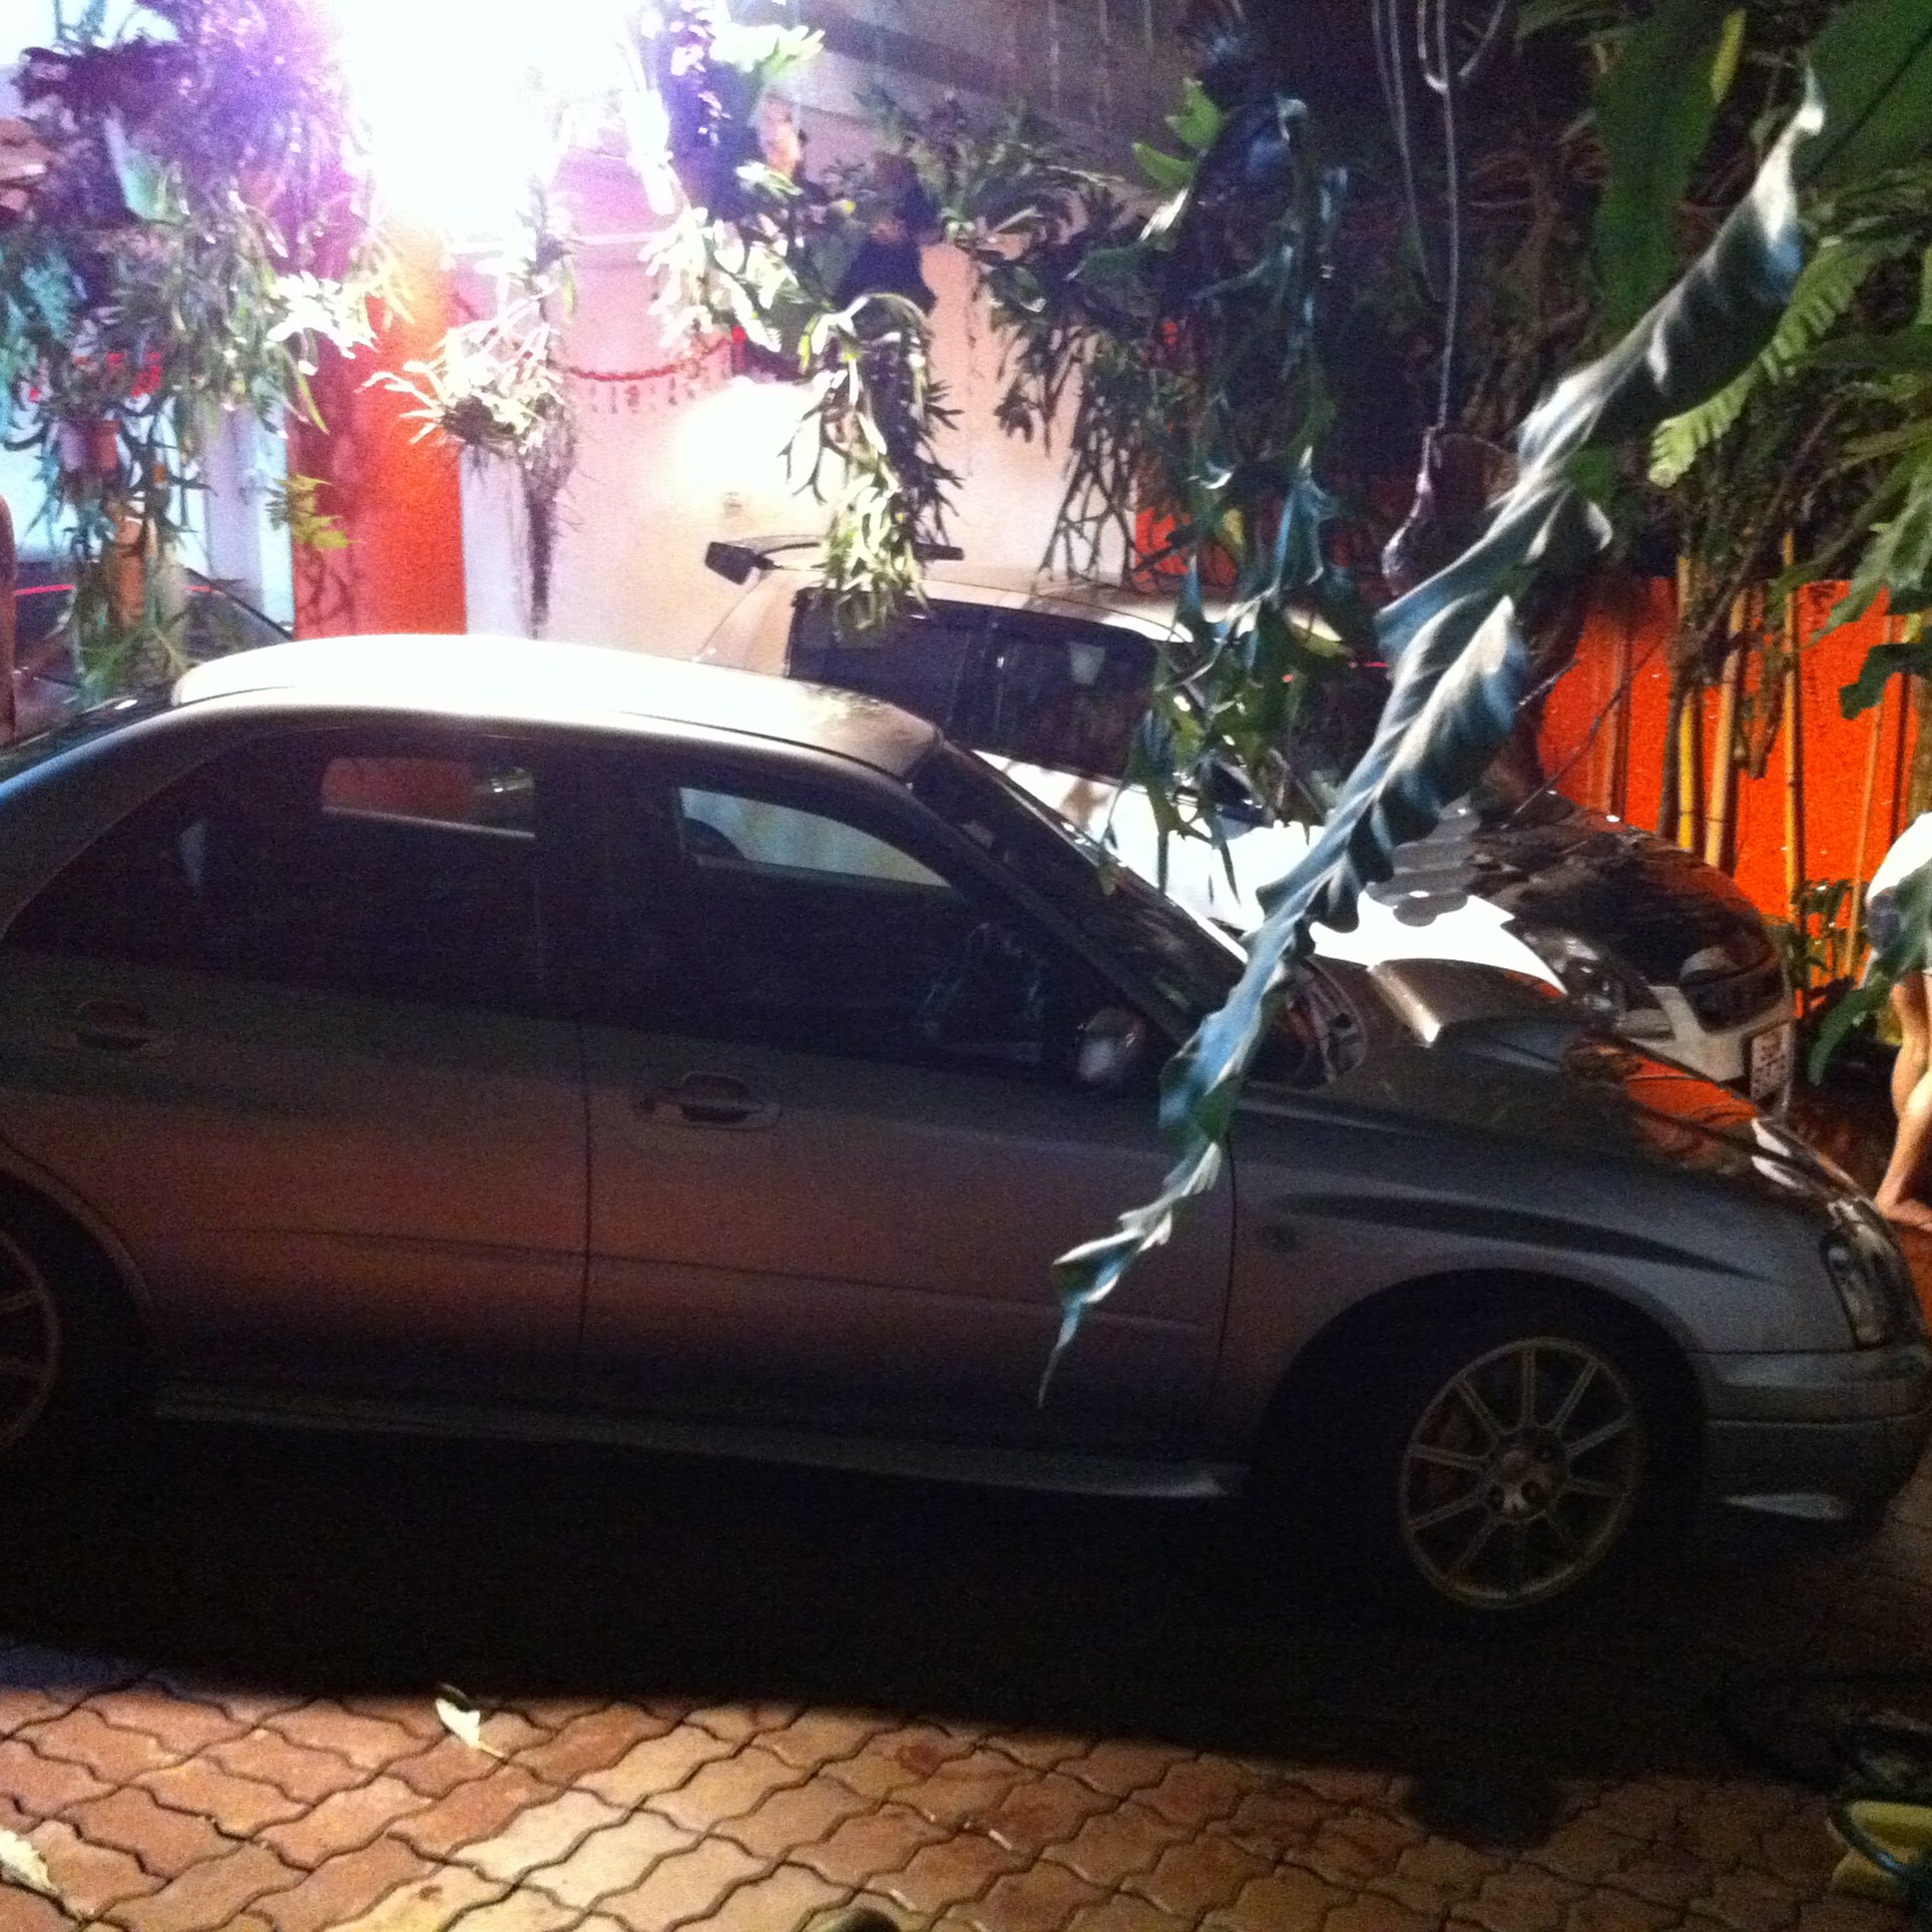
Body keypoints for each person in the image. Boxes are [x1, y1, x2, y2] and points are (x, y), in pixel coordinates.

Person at [1867, 810, 1932, 1227]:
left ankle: (1912, 1165)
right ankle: (1894, 1193)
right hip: (1926, 908)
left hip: (1885, 905)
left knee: (1917, 1042)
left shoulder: (1926, 822)